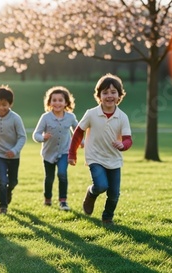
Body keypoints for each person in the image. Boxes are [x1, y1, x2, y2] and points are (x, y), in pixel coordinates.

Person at [69, 73, 132, 226]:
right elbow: (78, 133)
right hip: (95, 157)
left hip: (114, 159)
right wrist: (72, 153)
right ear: (99, 96)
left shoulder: (122, 117)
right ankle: (91, 193)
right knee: (101, 186)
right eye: (105, 92)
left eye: (113, 92)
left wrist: (123, 145)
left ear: (119, 95)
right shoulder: (91, 114)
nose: (109, 95)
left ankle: (107, 218)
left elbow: (128, 139)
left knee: (114, 194)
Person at [33, 86, 79, 211]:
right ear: (49, 102)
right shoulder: (45, 117)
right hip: (48, 153)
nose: (57, 103)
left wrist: (82, 141)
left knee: (62, 174)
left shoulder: (70, 117)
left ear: (66, 103)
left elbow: (78, 130)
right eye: (54, 100)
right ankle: (47, 198)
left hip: (65, 152)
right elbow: (35, 134)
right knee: (49, 178)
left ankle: (63, 201)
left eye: (60, 100)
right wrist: (43, 137)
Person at [0, 85, 26, 215]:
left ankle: (8, 191)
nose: (1, 107)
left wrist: (14, 150)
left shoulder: (15, 118)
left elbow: (22, 137)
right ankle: (2, 207)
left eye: (4, 104)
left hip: (14, 156)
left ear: (10, 104)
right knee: (2, 180)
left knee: (13, 182)